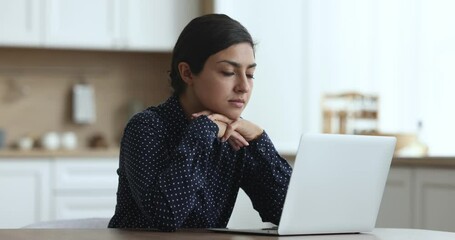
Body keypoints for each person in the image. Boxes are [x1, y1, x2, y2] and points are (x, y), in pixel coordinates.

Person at [108, 14, 292, 231]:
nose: (244, 86)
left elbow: (287, 213)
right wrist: (204, 130)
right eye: (228, 72)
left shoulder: (233, 135)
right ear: (187, 73)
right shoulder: (146, 127)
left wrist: (261, 140)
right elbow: (165, 218)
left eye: (250, 74)